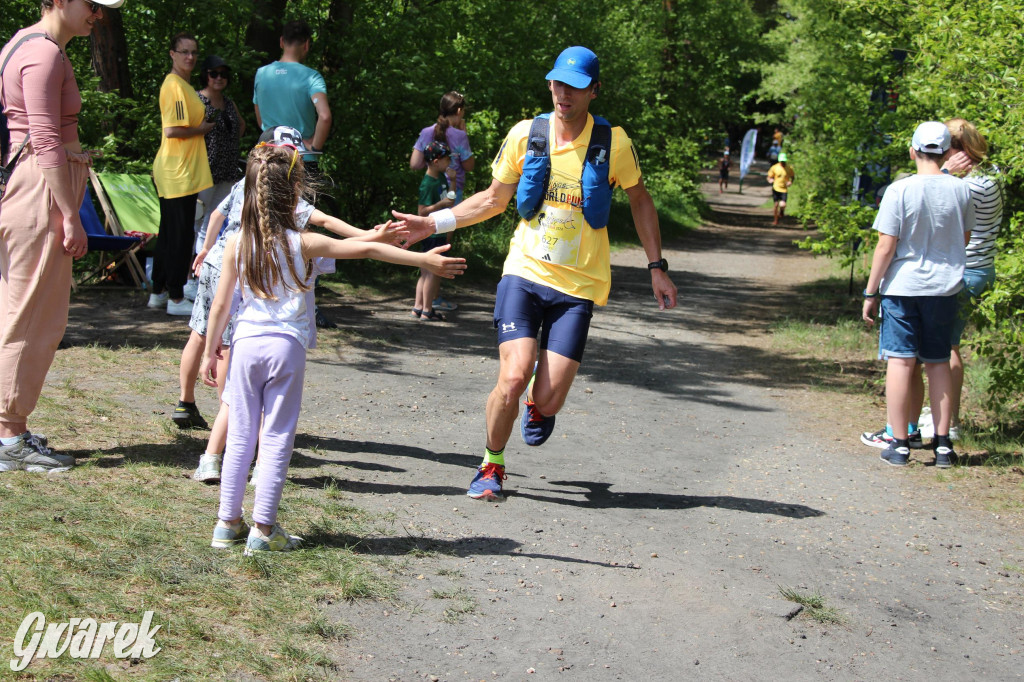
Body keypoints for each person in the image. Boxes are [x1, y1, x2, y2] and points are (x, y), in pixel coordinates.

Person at [392, 46, 678, 501]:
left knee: (547, 399)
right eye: (557, 83)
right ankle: (491, 465)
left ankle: (537, 406)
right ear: (549, 85)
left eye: (575, 86)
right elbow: (491, 199)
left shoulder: (614, 144)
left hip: (579, 287)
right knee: (512, 374)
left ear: (594, 91)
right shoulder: (527, 135)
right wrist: (433, 222)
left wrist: (656, 267)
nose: (563, 94)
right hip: (523, 273)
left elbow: (640, 200)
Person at [202, 143, 464, 553]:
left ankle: (226, 525)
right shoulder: (304, 242)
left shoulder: (237, 243)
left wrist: (208, 351)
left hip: (245, 344)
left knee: (241, 434)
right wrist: (423, 262)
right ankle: (263, 531)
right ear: (293, 193)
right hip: (285, 347)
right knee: (275, 437)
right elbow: (368, 249)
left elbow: (221, 305)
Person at [187, 126, 408, 479]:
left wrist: (209, 349)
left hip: (246, 328)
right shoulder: (297, 236)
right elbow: (345, 238)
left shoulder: (246, 213)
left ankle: (218, 468)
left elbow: (218, 304)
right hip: (282, 335)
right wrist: (375, 237)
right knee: (265, 409)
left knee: (238, 397)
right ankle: (256, 470)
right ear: (292, 184)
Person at [0, 0, 126, 473]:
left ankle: (10, 427)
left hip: (32, 184)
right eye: (91, 4)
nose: (98, 14)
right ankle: (9, 438)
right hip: (41, 190)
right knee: (33, 316)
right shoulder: (44, 54)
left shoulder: (26, 43)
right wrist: (70, 215)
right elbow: (46, 139)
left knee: (22, 311)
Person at [861, 118, 1003, 448]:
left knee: (915, 357)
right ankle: (934, 432)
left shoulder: (968, 185)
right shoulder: (977, 181)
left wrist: (871, 291)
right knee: (934, 356)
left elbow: (936, 227)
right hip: (953, 276)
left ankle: (922, 429)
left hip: (951, 275)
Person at [253, 19, 335, 328]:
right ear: (307, 45)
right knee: (301, 225)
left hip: (266, 158)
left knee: (264, 221)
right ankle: (307, 300)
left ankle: (262, 288)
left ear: (280, 41)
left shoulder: (262, 74)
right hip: (301, 159)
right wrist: (313, 143)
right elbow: (324, 115)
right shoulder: (311, 76)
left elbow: (260, 116)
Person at [149, 32, 214, 316]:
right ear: (172, 54)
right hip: (178, 171)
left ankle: (158, 292)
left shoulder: (184, 86)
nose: (190, 57)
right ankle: (176, 297)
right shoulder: (174, 85)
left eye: (194, 52)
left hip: (184, 170)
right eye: (184, 52)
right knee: (179, 235)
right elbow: (172, 130)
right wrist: (202, 129)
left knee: (169, 234)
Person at [409, 91, 475, 312]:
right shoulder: (460, 135)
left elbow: (414, 164)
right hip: (451, 196)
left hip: (430, 188)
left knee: (430, 245)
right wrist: (463, 135)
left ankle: (425, 301)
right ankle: (432, 300)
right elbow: (469, 166)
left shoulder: (427, 132)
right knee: (442, 247)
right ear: (458, 111)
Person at [189, 54, 245, 300]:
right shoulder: (197, 99)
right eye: (214, 73)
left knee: (219, 221)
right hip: (204, 170)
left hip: (228, 171)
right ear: (206, 75)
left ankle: (209, 274)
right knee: (199, 223)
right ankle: (193, 276)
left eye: (223, 74)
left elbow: (241, 127)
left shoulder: (229, 103)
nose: (219, 78)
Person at [410, 140, 456, 321]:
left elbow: (450, 200)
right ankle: (427, 309)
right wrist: (439, 205)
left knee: (427, 269)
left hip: (440, 229)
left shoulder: (442, 177)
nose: (449, 163)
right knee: (432, 271)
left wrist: (453, 181)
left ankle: (418, 307)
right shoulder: (428, 183)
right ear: (436, 162)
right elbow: (421, 211)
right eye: (446, 160)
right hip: (432, 232)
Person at [766, 152, 794, 225]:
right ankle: (775, 220)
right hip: (776, 188)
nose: (783, 162)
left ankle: (781, 211)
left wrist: (790, 182)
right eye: (781, 161)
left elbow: (792, 177)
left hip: (784, 189)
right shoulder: (775, 167)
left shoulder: (789, 168)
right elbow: (769, 176)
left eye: (784, 161)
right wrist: (770, 180)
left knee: (782, 204)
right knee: (775, 205)